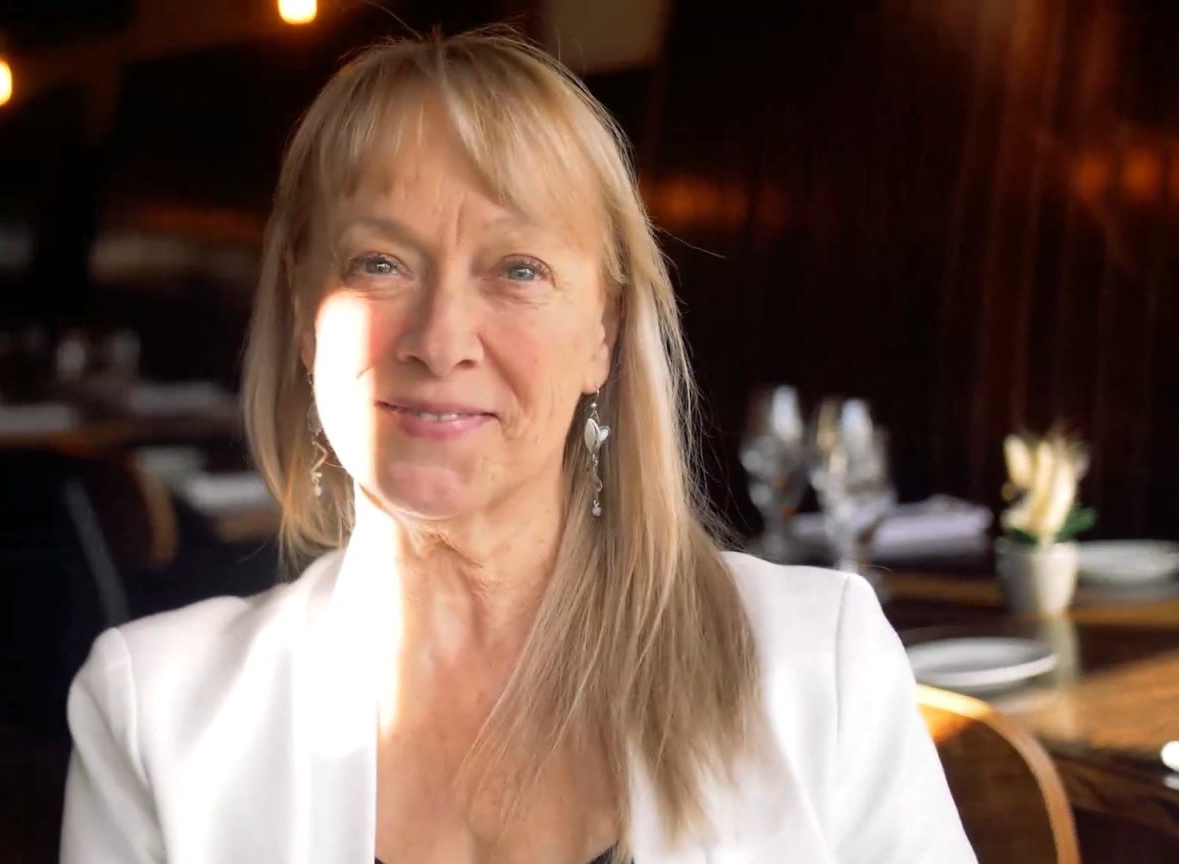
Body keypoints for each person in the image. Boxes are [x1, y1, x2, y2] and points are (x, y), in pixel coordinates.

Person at [61, 29, 975, 864]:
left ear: (603, 333)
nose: (440, 340)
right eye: (380, 263)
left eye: (518, 269)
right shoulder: (155, 717)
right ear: (305, 311)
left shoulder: (820, 664)